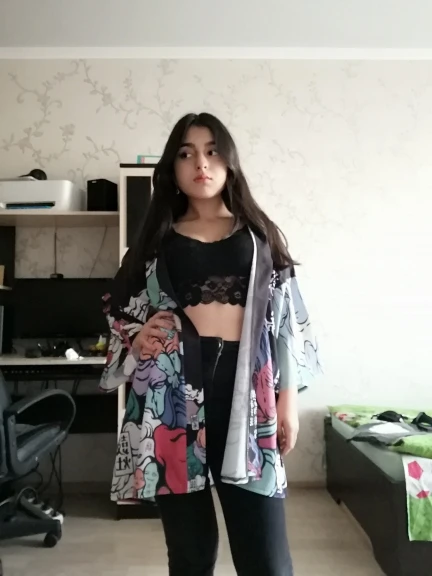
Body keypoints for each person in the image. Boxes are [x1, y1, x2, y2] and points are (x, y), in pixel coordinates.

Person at [100, 112, 320, 576]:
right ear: (172, 168)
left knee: (266, 558)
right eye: (187, 154)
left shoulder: (259, 236)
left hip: (249, 397)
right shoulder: (154, 243)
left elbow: (285, 322)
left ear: (229, 162)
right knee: (191, 555)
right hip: (171, 401)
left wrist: (288, 402)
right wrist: (137, 337)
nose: (201, 163)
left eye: (212, 151)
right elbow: (118, 310)